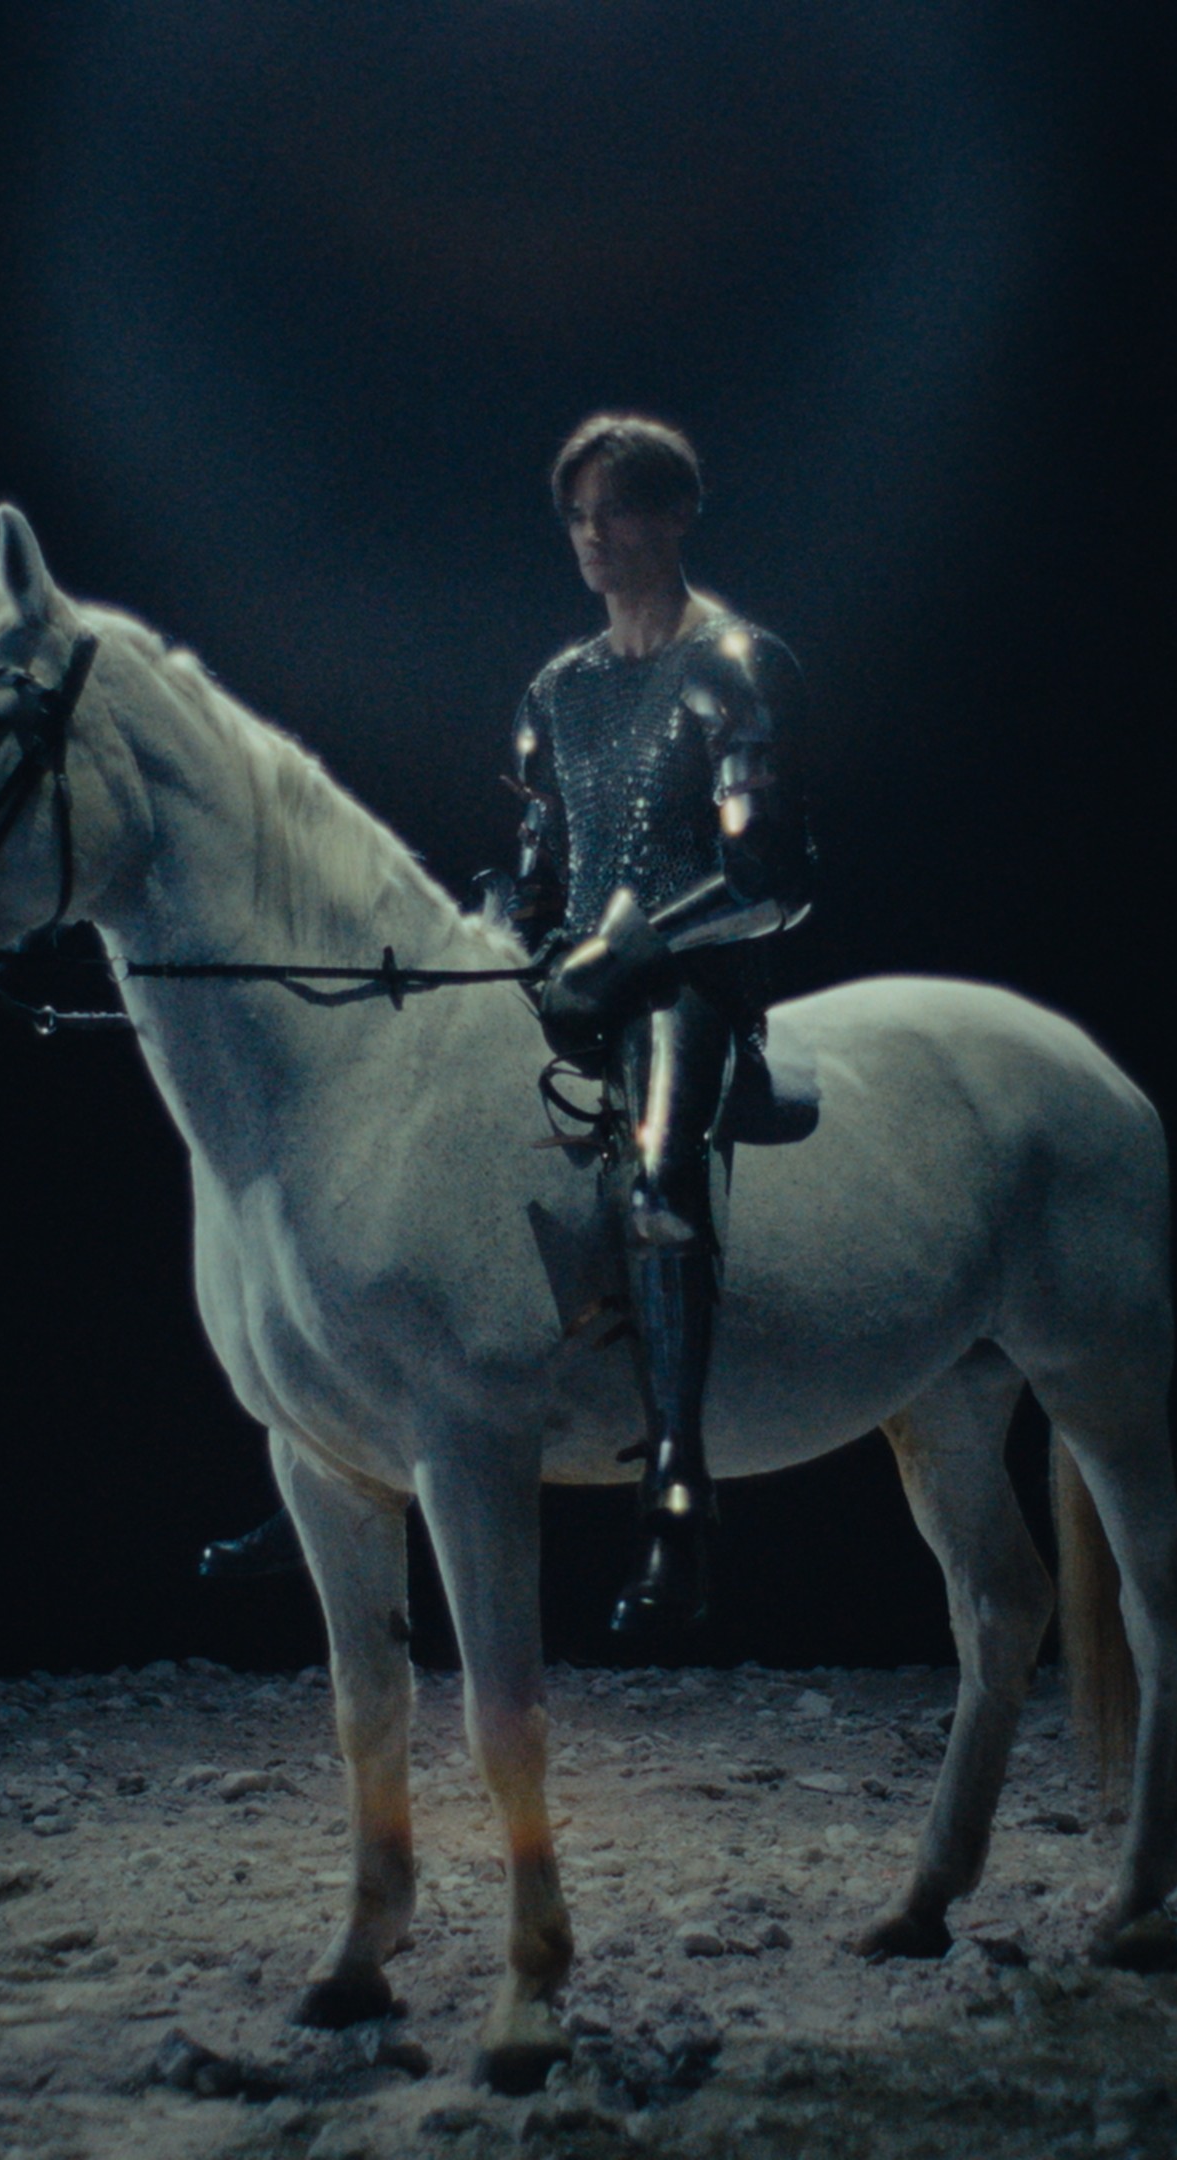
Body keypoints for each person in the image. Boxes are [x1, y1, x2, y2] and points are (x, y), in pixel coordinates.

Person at [202, 414, 814, 1640]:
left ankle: (677, 1492)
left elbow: (769, 876)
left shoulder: (736, 665)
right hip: (569, 968)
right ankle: (338, 1443)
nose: (594, 535)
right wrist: (484, 936)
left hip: (686, 976)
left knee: (659, 1178)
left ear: (675, 516)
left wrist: (627, 951)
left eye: (616, 510)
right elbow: (539, 868)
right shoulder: (558, 689)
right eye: (579, 516)